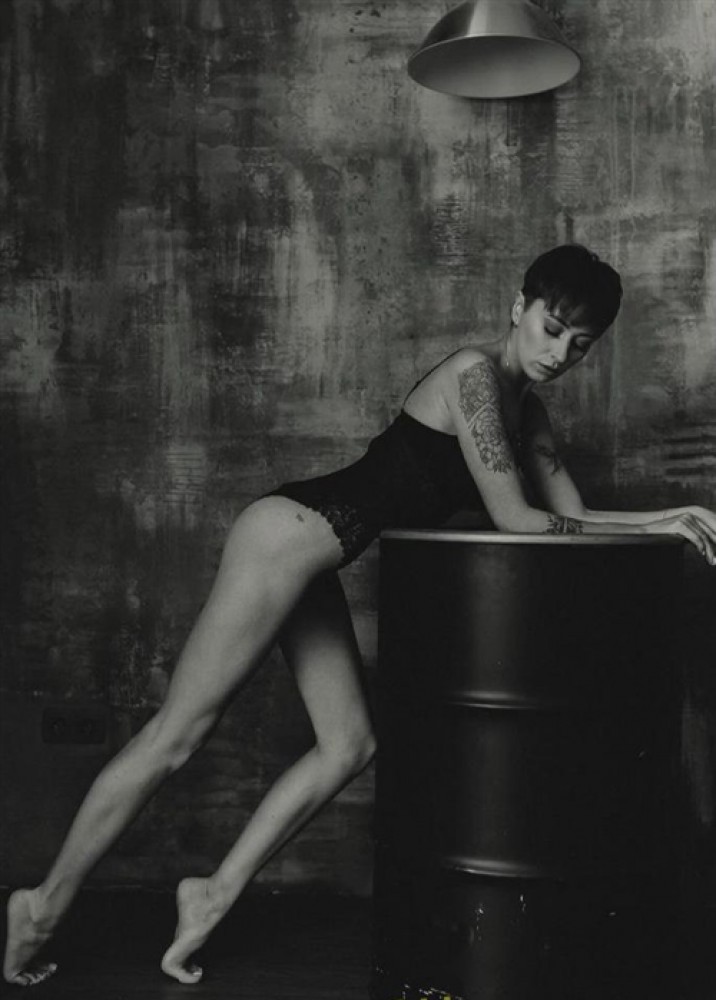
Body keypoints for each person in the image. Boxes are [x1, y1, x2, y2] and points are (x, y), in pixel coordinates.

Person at [4, 243, 716, 988]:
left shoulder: (525, 410)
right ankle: (41, 906)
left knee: (348, 745)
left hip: (316, 559)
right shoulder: (474, 377)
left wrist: (668, 517)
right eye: (551, 327)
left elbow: (573, 516)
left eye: (580, 344)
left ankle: (211, 893)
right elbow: (518, 521)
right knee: (176, 737)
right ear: (519, 306)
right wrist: (656, 524)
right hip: (284, 537)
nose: (559, 353)